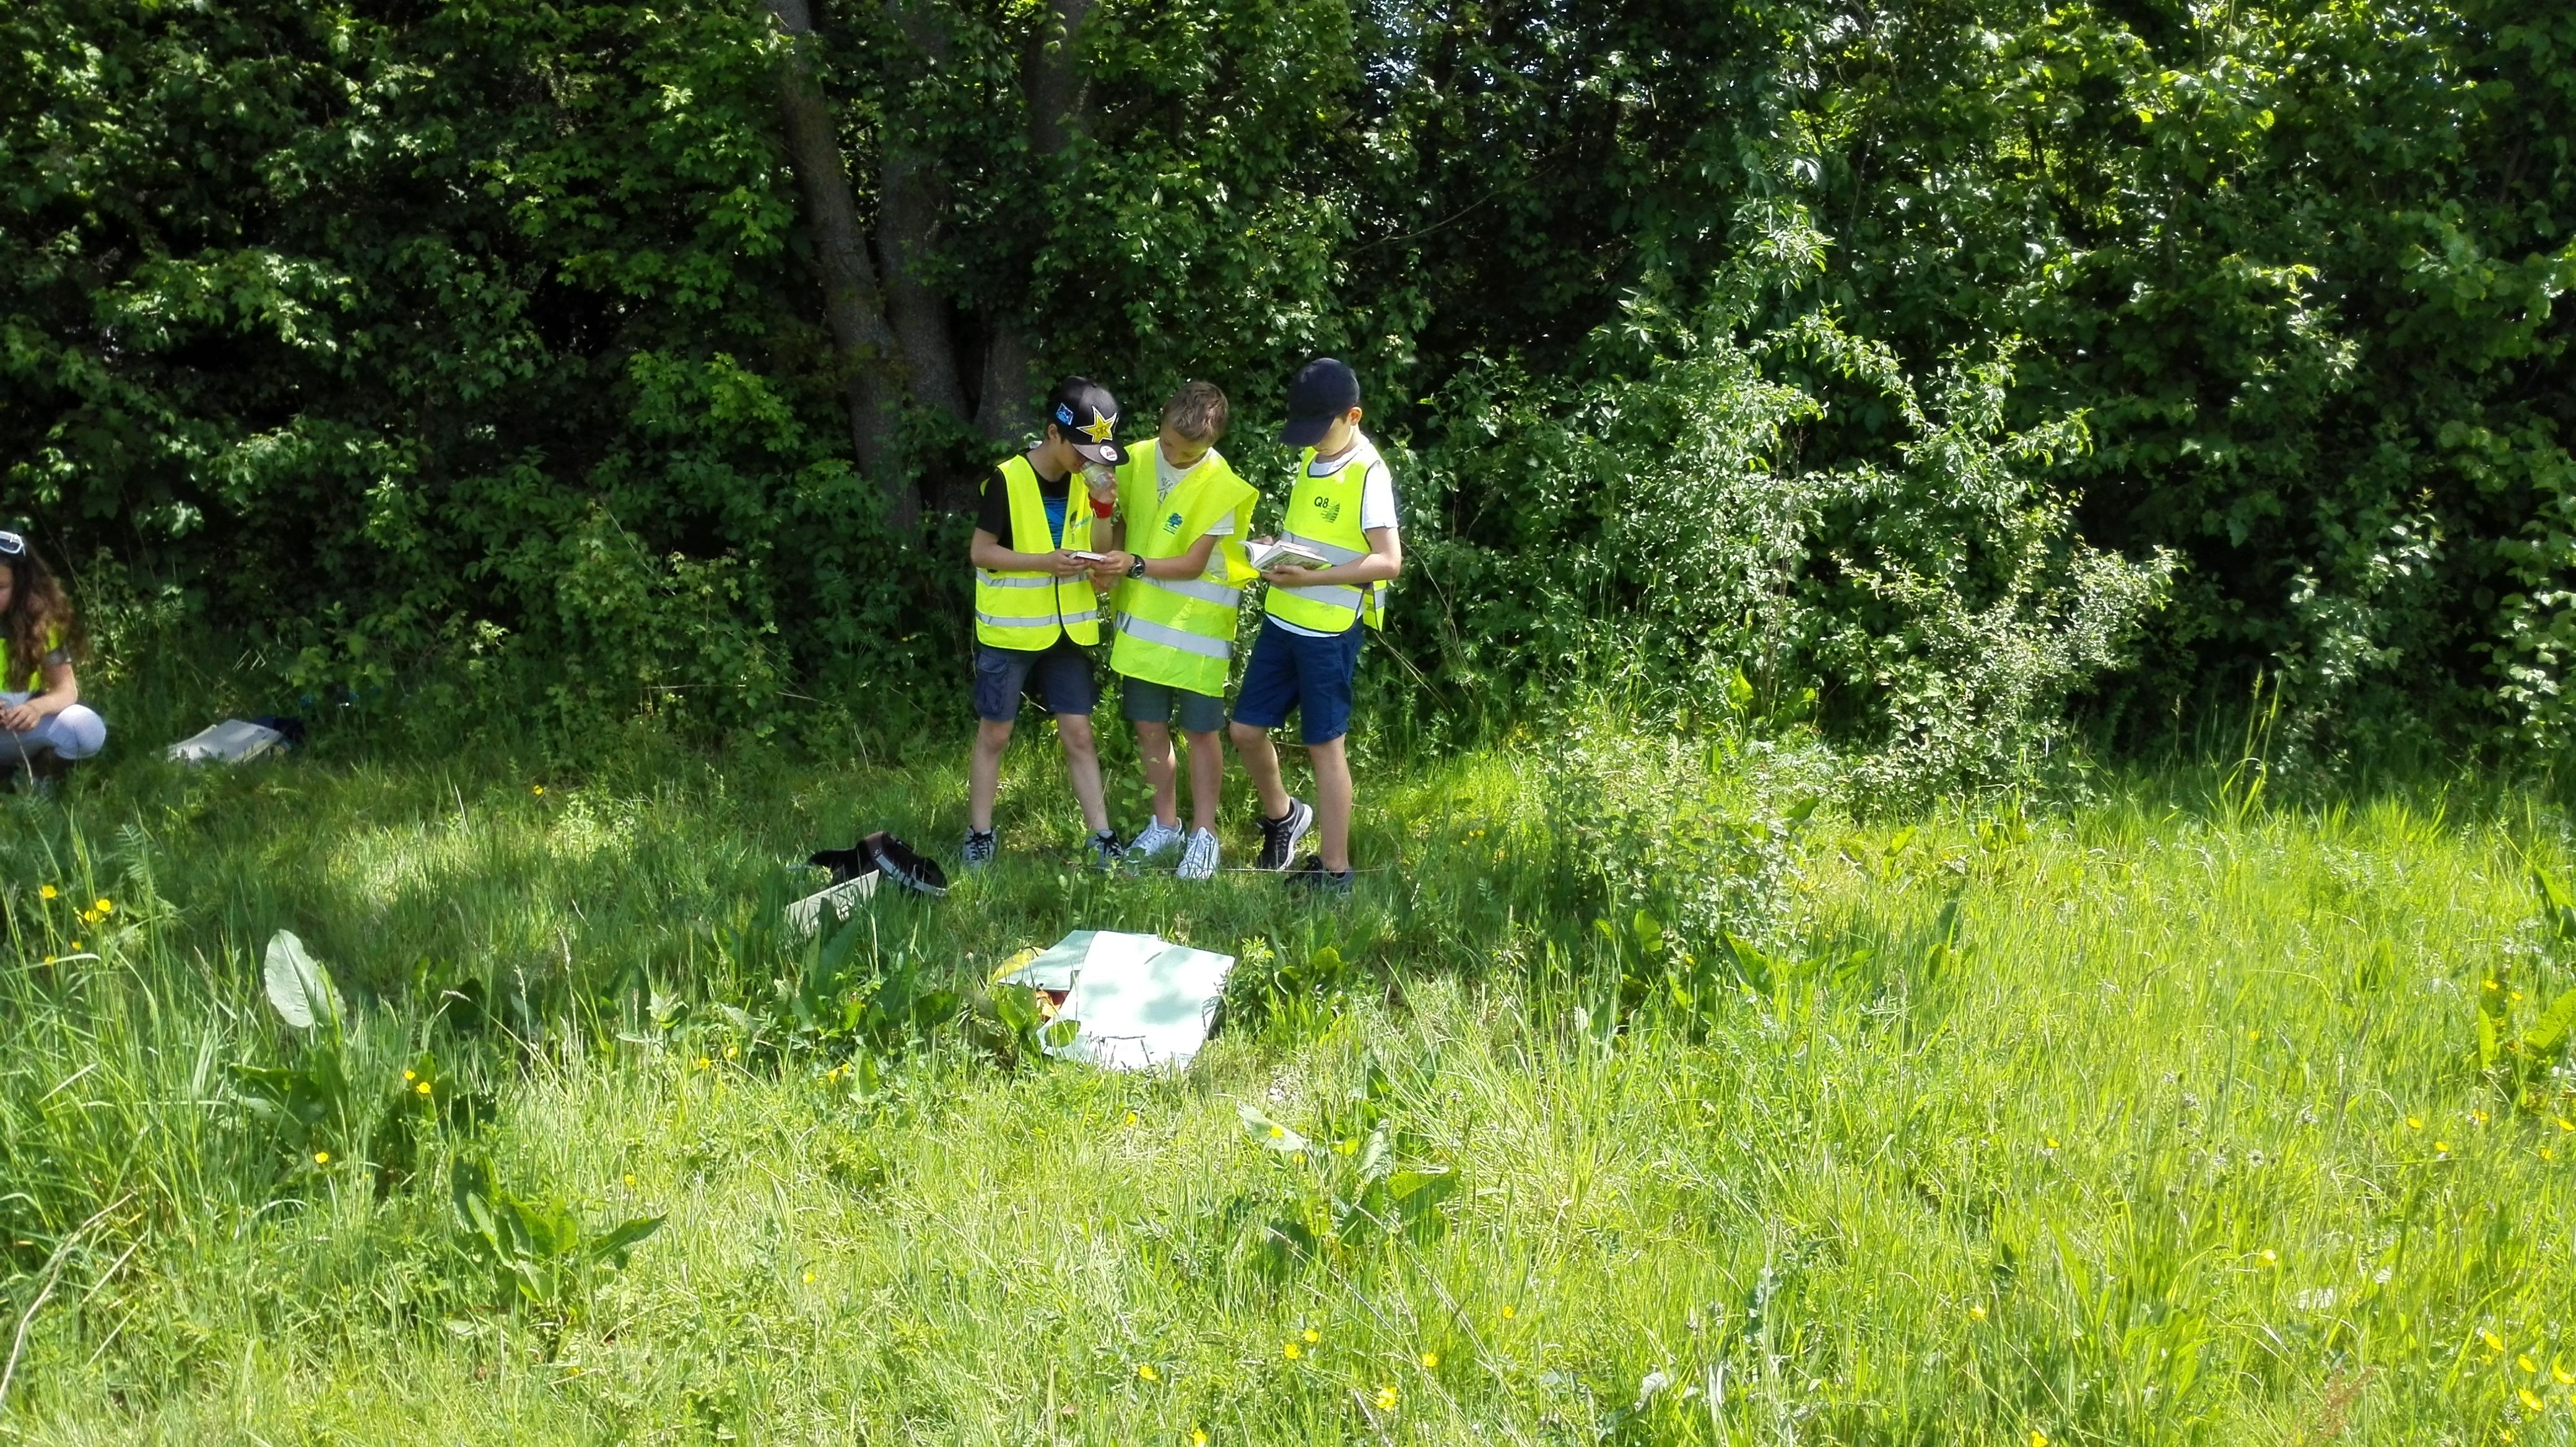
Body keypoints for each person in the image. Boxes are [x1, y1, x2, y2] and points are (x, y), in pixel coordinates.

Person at [1227, 358, 1402, 893]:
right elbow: (1310, 534)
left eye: (1319, 430)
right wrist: (1274, 555)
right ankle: (1285, 817)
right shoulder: (1311, 458)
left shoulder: (1370, 472)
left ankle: (1335, 870)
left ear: (1353, 416)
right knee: (1245, 729)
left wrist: (1309, 580)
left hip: (1329, 631)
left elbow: (1388, 562)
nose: (1311, 442)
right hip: (1284, 619)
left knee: (1326, 746)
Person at [964, 378, 1134, 869]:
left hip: (1068, 631)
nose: (1091, 462)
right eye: (1082, 451)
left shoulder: (1090, 479)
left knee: (1079, 733)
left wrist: (1104, 510)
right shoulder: (1007, 479)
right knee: (995, 734)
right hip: (1011, 631)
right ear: (1052, 434)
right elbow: (981, 552)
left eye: (1098, 452)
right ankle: (980, 834)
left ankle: (1101, 837)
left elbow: (1100, 549)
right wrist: (1044, 561)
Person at [1104, 382, 1256, 880]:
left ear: (1211, 445)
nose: (1176, 455)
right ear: (1161, 421)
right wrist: (1110, 553)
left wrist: (1133, 563)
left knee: (1201, 732)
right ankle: (1165, 825)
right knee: (1149, 727)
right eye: (1170, 443)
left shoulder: (1224, 486)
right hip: (1143, 627)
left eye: (1190, 452)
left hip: (1199, 633)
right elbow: (1123, 520)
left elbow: (1193, 564)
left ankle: (1204, 834)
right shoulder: (1136, 459)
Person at [0, 531, 106, 791]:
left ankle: (34, 782)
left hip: (15, 733)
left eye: (0, 588)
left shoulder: (43, 626)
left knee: (86, 729)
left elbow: (66, 690)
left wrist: (37, 708)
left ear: (21, 586)